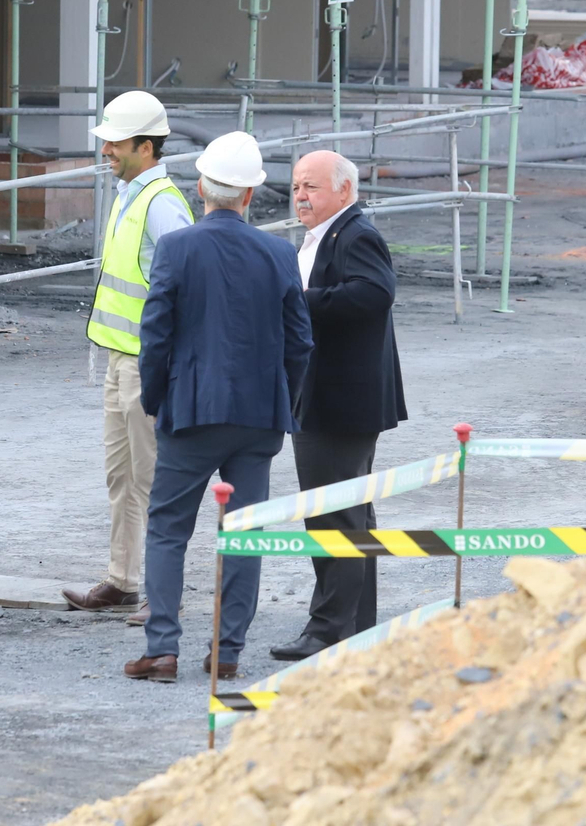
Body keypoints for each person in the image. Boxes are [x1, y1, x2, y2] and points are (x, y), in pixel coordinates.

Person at [124, 132, 313, 683]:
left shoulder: (178, 247)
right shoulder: (280, 251)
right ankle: (226, 652)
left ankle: (162, 649)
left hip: (191, 410)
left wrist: (156, 398)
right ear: (251, 195)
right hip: (259, 416)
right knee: (245, 533)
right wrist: (284, 399)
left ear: (201, 187)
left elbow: (154, 333)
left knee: (167, 530)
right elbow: (300, 343)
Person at [270, 151, 407, 662]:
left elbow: (375, 293)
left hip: (339, 401)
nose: (301, 196)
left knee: (332, 515)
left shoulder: (355, 233)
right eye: (296, 187)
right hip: (329, 396)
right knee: (348, 512)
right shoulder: (329, 234)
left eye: (312, 187)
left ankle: (327, 629)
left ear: (344, 191)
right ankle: (354, 623)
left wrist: (298, 300)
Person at [64, 91, 193, 626]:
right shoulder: (129, 193)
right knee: (123, 476)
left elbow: (190, 281)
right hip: (122, 360)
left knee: (155, 478)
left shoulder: (161, 202)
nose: (107, 150)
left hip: (148, 364)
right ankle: (123, 579)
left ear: (147, 145)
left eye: (116, 142)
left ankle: (160, 594)